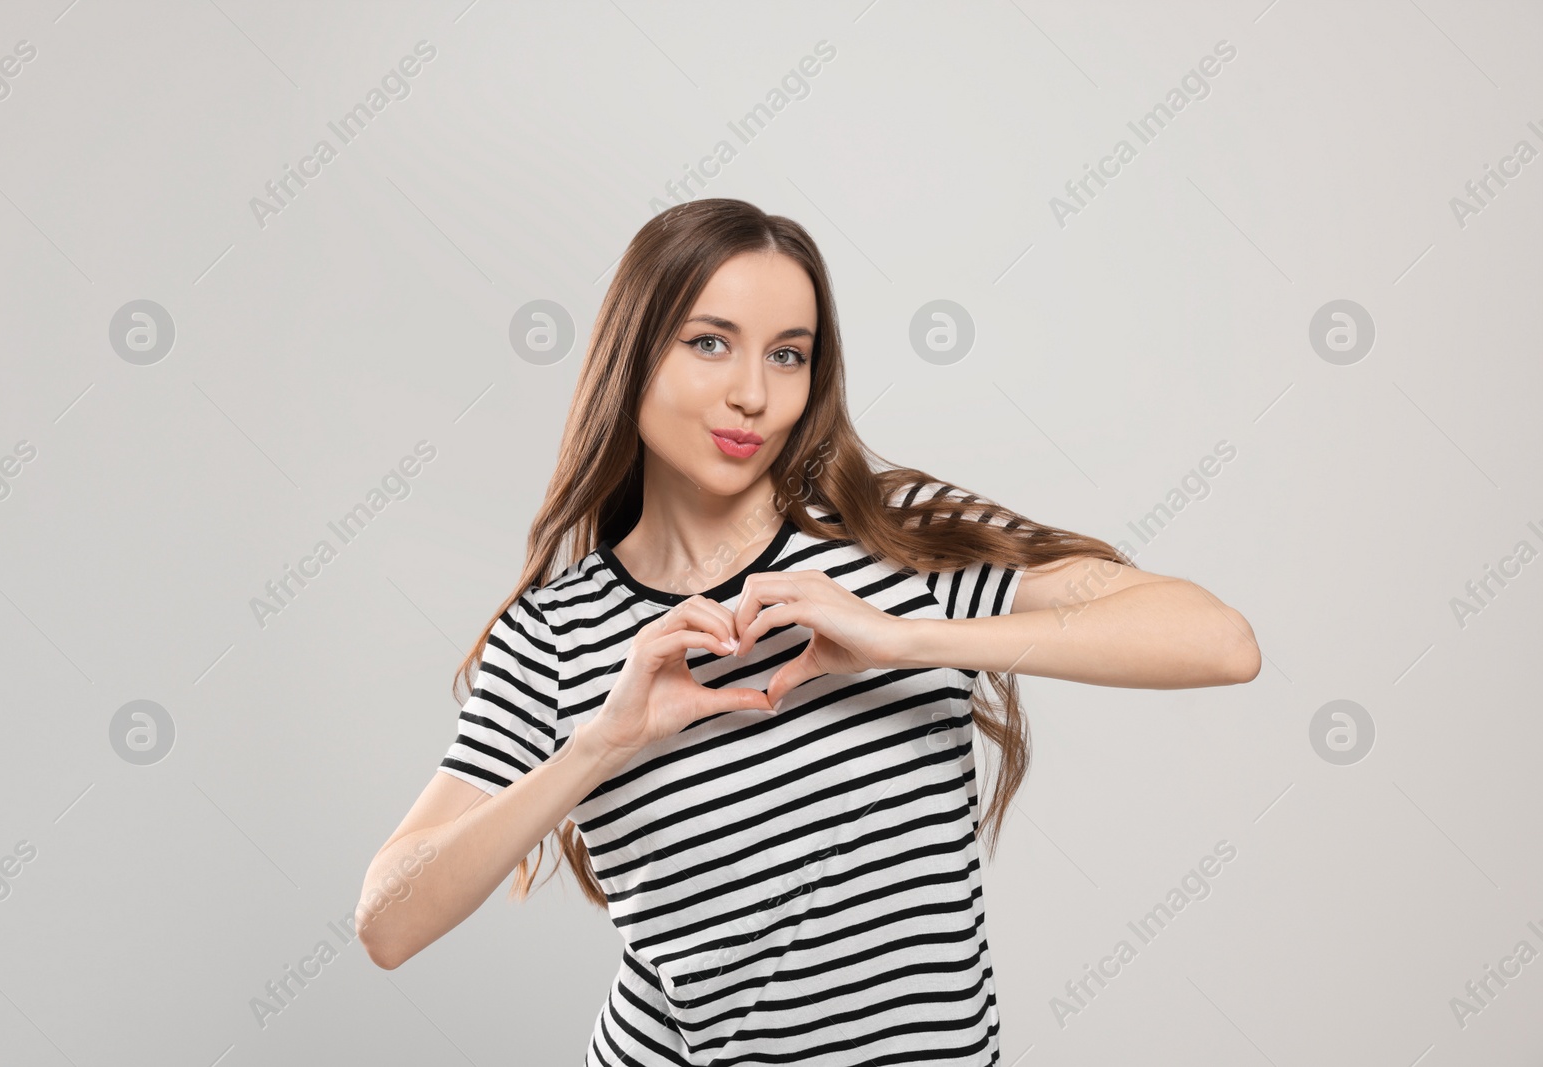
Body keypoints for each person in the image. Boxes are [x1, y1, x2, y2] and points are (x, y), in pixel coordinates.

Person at [355, 198, 1260, 1065]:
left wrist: (905, 638)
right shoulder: (556, 634)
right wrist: (599, 744)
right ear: (633, 356)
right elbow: (388, 920)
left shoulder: (892, 533)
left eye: (788, 355)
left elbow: (1218, 641)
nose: (752, 393)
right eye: (710, 343)